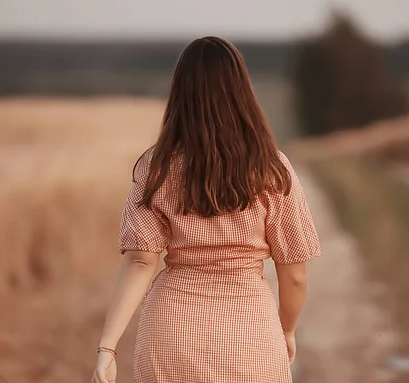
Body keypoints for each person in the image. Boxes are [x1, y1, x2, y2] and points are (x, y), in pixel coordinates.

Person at [92, 36, 321, 383]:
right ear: (242, 93)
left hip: (169, 337)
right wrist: (286, 330)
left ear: (181, 94)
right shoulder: (274, 169)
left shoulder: (157, 167)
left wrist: (107, 348)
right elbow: (295, 274)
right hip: (251, 338)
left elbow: (140, 261)